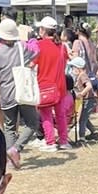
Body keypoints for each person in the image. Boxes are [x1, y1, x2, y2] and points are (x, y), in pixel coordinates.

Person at [0, 18, 41, 168]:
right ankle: (16, 149)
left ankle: (10, 161)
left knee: (9, 127)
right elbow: (37, 50)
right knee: (32, 123)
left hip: (6, 92)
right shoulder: (22, 47)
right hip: (23, 91)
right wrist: (28, 37)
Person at [34, 16, 69, 152]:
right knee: (60, 114)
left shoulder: (39, 46)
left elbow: (32, 64)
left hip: (44, 84)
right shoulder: (62, 46)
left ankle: (50, 141)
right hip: (60, 85)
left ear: (43, 30)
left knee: (46, 115)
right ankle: (63, 140)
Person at [69, 55, 97, 143]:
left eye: (73, 67)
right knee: (85, 118)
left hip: (88, 100)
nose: (72, 70)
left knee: (82, 119)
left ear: (79, 68)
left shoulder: (82, 75)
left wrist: (81, 94)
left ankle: (82, 138)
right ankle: (94, 133)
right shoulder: (79, 76)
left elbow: (89, 86)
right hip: (85, 100)